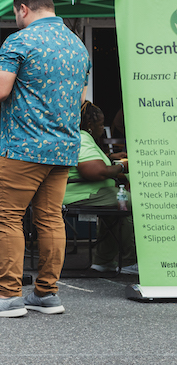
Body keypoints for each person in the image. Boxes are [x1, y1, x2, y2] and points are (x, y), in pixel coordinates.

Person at [0, 0, 90, 318]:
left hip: (24, 146)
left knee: (7, 216)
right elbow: (80, 100)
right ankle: (46, 293)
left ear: (23, 8)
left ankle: (7, 295)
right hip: (63, 147)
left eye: (15, 13)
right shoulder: (77, 45)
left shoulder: (20, 40)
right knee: (50, 218)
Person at [63, 102, 137, 274]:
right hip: (80, 193)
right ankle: (130, 261)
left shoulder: (81, 137)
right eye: (101, 124)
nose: (103, 129)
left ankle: (104, 261)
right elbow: (95, 171)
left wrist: (110, 157)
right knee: (130, 202)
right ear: (90, 125)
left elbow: (89, 160)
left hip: (85, 191)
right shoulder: (82, 138)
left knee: (116, 203)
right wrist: (122, 166)